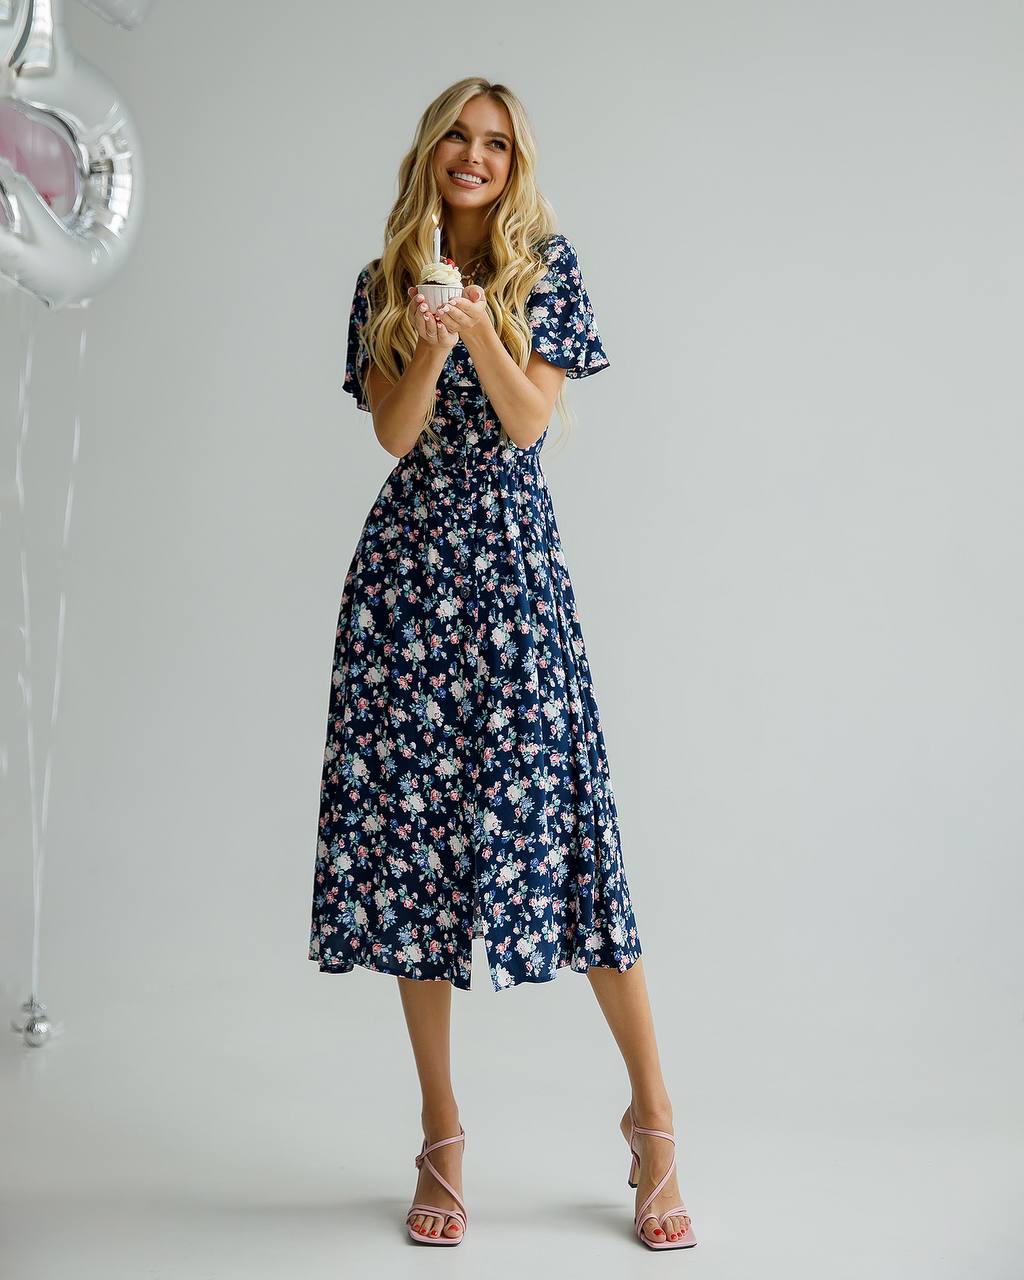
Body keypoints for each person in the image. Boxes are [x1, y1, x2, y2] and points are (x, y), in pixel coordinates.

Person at [308, 77, 695, 1252]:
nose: (473, 156)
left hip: (515, 583)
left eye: (495, 144)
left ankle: (654, 1118)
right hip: (407, 588)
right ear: (430, 151)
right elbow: (393, 434)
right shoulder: (382, 283)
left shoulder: (546, 270)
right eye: (457, 137)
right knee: (415, 856)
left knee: (573, 841)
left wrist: (480, 327)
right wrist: (428, 344)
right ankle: (441, 1131)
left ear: (513, 165)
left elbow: (528, 426)